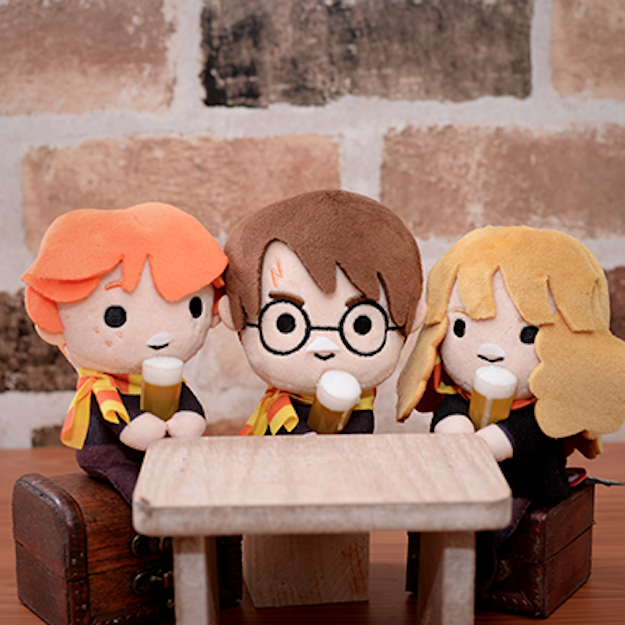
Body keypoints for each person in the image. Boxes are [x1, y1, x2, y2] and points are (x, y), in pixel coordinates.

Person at [397, 225, 625, 525]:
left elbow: (533, 430)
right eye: (461, 327)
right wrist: (454, 429)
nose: (489, 351)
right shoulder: (461, 396)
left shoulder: (546, 413)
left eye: (529, 334)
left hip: (522, 484)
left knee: (491, 526)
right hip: (463, 482)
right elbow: (450, 410)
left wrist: (492, 442)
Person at [22, 202, 228, 503]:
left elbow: (186, 402)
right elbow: (118, 419)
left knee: (188, 473)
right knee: (133, 480)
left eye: (193, 306)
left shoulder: (166, 377)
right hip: (108, 451)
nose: (160, 334)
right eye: (114, 316)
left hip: (159, 448)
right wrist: (138, 428)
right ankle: (152, 511)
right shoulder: (102, 387)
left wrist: (188, 418)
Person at [219, 189, 424, 436]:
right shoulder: (280, 406)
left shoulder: (361, 402)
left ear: (413, 317)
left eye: (362, 325)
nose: (324, 345)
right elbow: (284, 427)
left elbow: (361, 426)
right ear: (233, 315)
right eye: (286, 322)